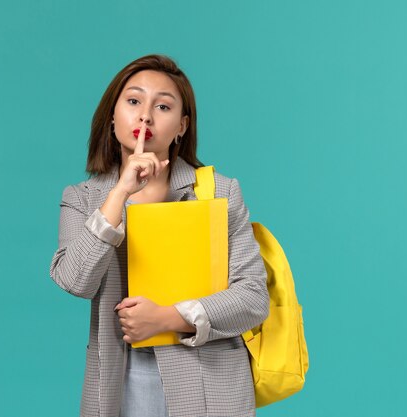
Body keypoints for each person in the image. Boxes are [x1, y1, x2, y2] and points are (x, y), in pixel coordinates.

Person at [50, 54, 269, 417]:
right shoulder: (82, 198)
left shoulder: (219, 193)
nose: (145, 116)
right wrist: (118, 194)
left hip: (209, 383)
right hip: (119, 382)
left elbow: (252, 297)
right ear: (112, 117)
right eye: (134, 101)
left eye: (163, 106)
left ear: (182, 126)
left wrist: (169, 318)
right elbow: (75, 281)